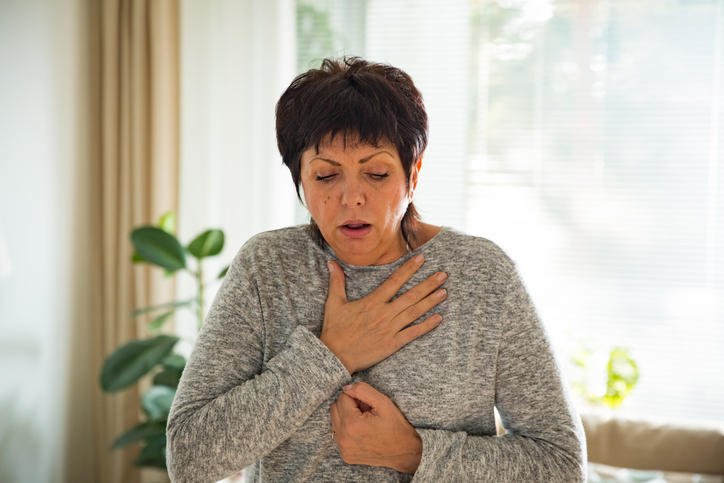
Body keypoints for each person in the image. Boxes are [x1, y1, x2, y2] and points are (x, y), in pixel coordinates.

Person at [166, 57, 586, 482]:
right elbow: (188, 458)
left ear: (413, 174)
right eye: (327, 176)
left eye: (377, 173)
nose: (352, 198)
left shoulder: (483, 275)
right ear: (300, 183)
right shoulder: (267, 268)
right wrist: (329, 354)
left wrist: (414, 453)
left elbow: (562, 466)